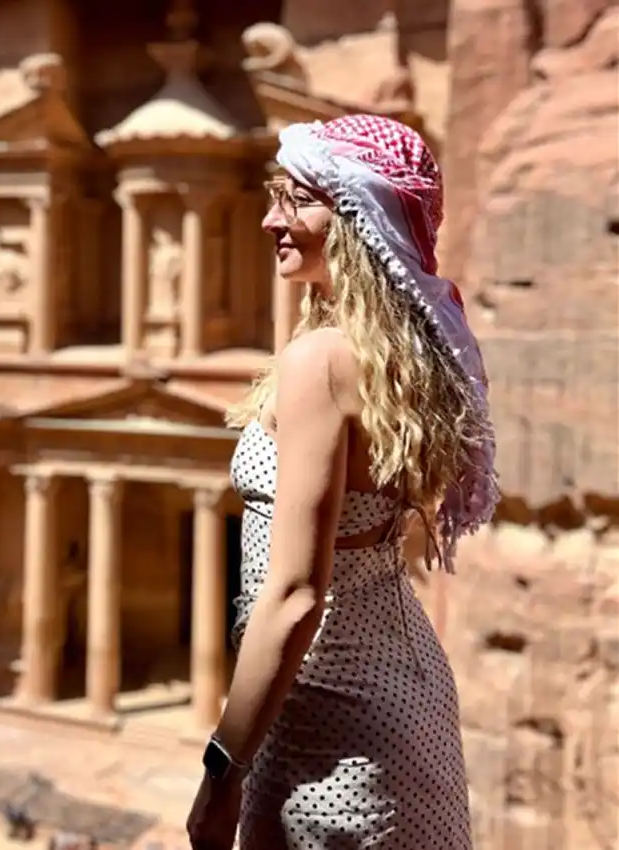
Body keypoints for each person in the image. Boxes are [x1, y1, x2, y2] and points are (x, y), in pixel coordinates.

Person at [185, 115, 499, 850]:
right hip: (398, 693)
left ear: (358, 217)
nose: (271, 219)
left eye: (297, 200)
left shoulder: (321, 360)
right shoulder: (401, 349)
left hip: (330, 719)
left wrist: (221, 768)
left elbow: (295, 597)